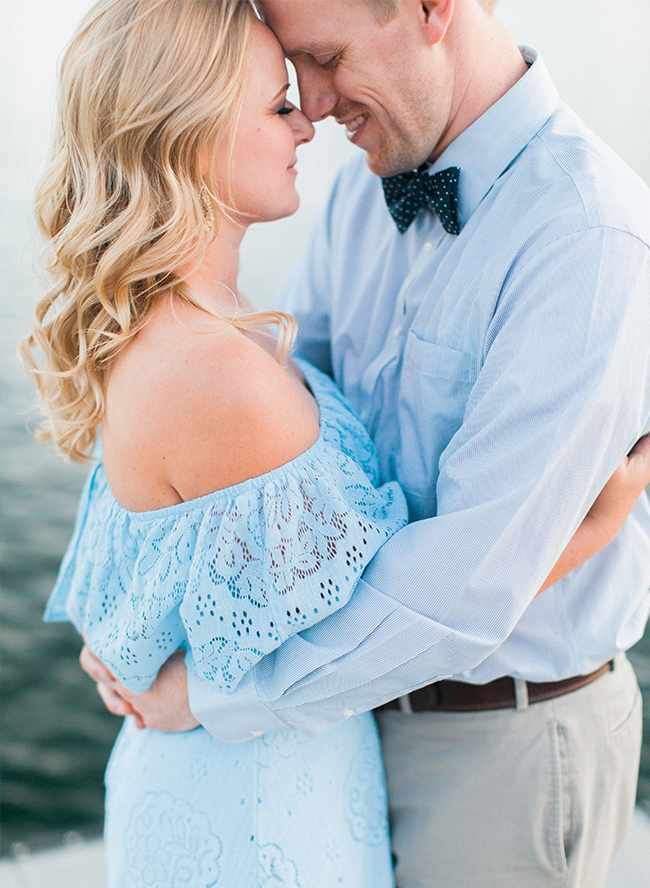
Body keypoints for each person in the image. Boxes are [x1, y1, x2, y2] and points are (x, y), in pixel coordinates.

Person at [84, 1, 650, 886]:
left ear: (432, 10)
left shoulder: (584, 232)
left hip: (498, 744)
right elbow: (279, 424)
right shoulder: (366, 175)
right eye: (286, 82)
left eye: (324, 56)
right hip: (343, 721)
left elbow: (462, 591)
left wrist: (204, 692)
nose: (310, 105)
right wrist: (131, 617)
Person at [22, 1, 411, 885]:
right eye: (278, 105)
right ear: (190, 136)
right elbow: (387, 616)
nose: (309, 121)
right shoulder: (215, 375)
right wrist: (580, 526)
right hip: (254, 822)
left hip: (260, 782)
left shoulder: (195, 325)